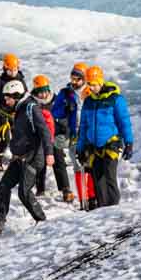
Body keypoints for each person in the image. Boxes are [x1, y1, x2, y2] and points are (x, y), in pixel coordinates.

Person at [0, 79, 50, 234]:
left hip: (32, 157)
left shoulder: (31, 108)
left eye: (8, 97)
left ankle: (42, 221)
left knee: (24, 192)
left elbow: (44, 131)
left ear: (17, 95)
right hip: (19, 158)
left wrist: (49, 153)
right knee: (4, 186)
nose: (6, 100)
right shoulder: (19, 108)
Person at [77, 65, 134, 210]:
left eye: (95, 84)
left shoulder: (115, 99)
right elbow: (83, 126)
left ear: (101, 81)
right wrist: (80, 148)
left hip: (111, 144)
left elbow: (124, 122)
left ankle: (114, 208)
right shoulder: (88, 101)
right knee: (98, 180)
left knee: (109, 176)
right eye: (90, 84)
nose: (93, 87)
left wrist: (129, 142)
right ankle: (103, 210)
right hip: (93, 146)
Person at [51, 63, 88, 205]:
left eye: (77, 79)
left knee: (91, 167)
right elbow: (55, 111)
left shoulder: (90, 91)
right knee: (77, 165)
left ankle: (92, 198)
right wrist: (66, 108)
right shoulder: (65, 93)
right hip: (73, 134)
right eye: (72, 78)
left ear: (84, 79)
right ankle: (83, 200)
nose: (74, 82)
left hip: (89, 134)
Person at [28, 76, 67, 200]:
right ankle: (40, 189)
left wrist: (64, 133)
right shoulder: (31, 103)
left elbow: (63, 118)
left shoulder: (56, 100)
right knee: (40, 163)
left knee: (59, 161)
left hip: (54, 136)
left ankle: (65, 188)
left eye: (45, 91)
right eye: (40, 92)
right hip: (39, 138)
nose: (43, 95)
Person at [0, 53, 26, 164]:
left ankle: (16, 156)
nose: (13, 73)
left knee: (18, 137)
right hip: (1, 115)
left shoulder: (21, 81)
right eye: (10, 70)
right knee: (5, 138)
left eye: (15, 70)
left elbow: (24, 96)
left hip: (15, 115)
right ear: (5, 69)